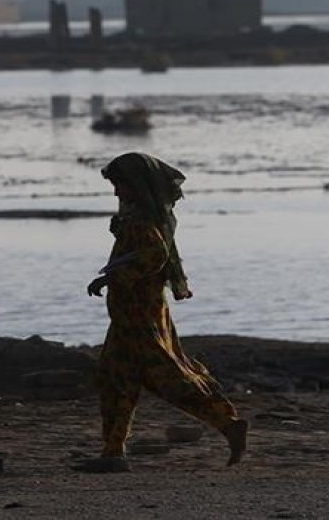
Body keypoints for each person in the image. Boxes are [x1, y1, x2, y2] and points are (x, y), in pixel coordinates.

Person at [79, 152, 248, 472]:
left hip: (141, 319)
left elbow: (155, 255)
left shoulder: (143, 221)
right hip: (129, 318)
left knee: (168, 378)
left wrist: (115, 277)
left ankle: (228, 424)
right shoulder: (136, 217)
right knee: (116, 379)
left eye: (119, 185)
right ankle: (113, 452)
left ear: (135, 186)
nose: (116, 192)